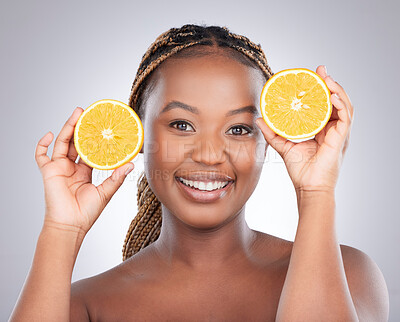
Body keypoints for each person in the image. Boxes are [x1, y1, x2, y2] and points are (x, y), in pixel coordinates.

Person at [10, 24, 389, 321]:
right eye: (181, 125)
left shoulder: (350, 275)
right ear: (138, 133)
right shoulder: (83, 306)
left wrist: (317, 193)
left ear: (269, 139)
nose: (209, 155)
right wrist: (62, 231)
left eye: (239, 129)